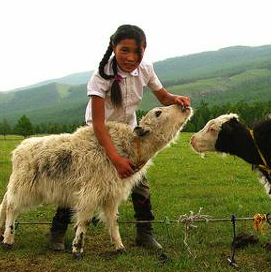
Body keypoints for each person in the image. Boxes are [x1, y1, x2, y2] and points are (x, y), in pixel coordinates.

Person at [48, 24, 191, 252]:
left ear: (145, 50)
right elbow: (97, 124)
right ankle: (57, 232)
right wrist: (115, 159)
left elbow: (162, 96)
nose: (131, 57)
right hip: (97, 136)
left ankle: (145, 233)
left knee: (140, 182)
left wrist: (176, 99)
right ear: (114, 47)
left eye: (138, 51)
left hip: (129, 133)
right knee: (84, 180)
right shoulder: (101, 76)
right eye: (125, 50)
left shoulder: (145, 69)